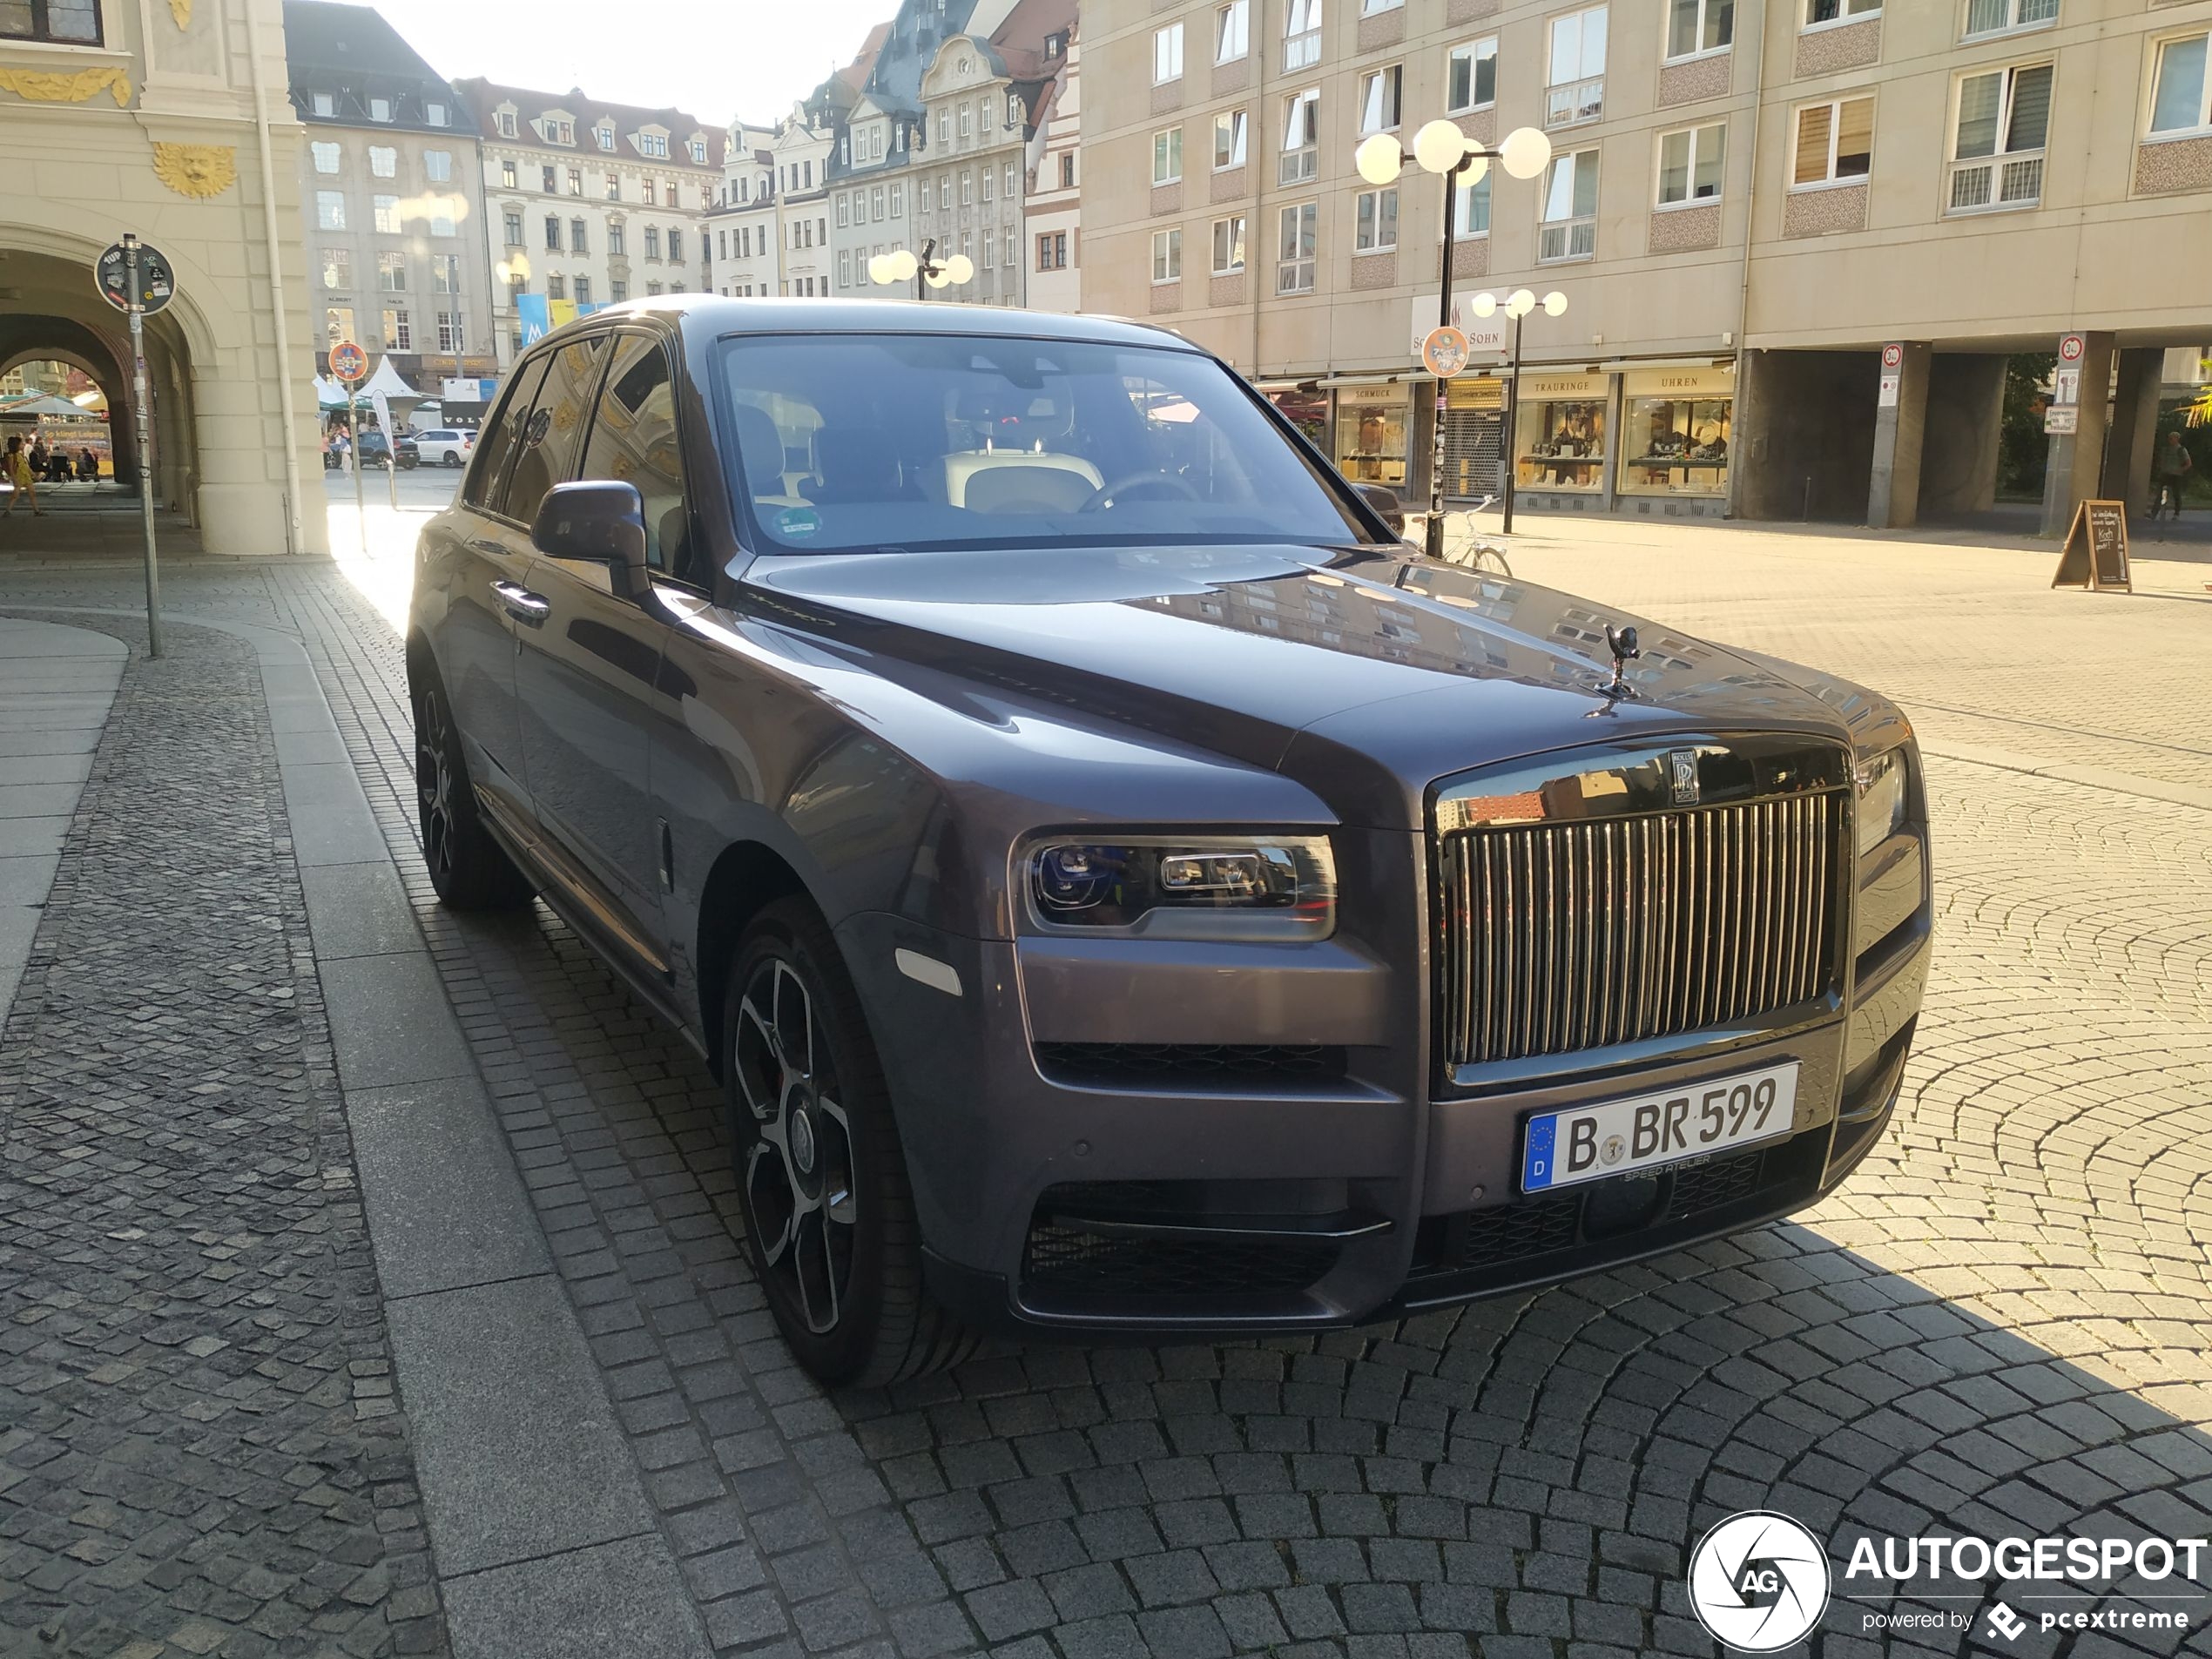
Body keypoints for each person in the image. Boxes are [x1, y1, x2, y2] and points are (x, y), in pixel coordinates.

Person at [2149, 430, 2194, 522]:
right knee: (2160, 494)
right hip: (2166, 474)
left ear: (2177, 439)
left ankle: (2176, 514)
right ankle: (2154, 513)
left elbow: (2188, 463)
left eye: (2172, 438)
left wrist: (2181, 470)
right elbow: (2161, 461)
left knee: (2176, 494)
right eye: (2169, 438)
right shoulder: (2166, 450)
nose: (2170, 440)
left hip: (2176, 475)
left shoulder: (2181, 450)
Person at [3, 435, 44, 516]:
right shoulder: (12, 456)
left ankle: (36, 511)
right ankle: (8, 510)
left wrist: (32, 474)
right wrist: (14, 478)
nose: (23, 445)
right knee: (15, 495)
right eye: (21, 444)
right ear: (16, 445)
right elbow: (11, 468)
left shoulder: (20, 455)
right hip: (18, 476)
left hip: (26, 476)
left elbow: (26, 466)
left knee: (32, 493)